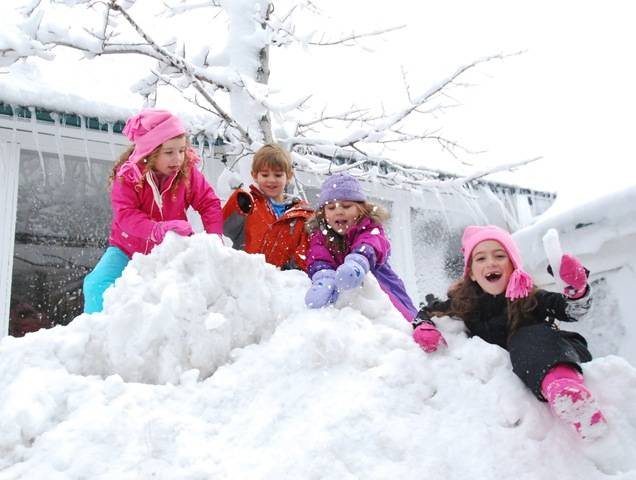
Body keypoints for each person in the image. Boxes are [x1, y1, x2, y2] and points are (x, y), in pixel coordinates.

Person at [413, 224, 607, 439]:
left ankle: (567, 394)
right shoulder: (464, 304)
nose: (491, 263)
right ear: (472, 274)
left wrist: (576, 290)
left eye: (499, 255)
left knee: (526, 336)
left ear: (513, 264)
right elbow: (426, 312)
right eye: (480, 258)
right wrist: (423, 326)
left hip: (552, 353)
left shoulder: (531, 297)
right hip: (510, 376)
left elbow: (572, 311)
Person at [82, 109, 223, 314]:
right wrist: (157, 229)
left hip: (169, 251)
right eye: (169, 152)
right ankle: (98, 337)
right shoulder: (129, 176)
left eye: (182, 150)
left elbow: (209, 203)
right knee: (96, 284)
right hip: (126, 249)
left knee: (175, 297)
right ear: (150, 151)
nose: (178, 159)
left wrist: (215, 238)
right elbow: (126, 215)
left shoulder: (187, 173)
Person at [304, 173, 443, 333]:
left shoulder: (369, 227)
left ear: (361, 209)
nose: (339, 211)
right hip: (347, 297)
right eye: (331, 207)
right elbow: (318, 256)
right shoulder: (320, 235)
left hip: (380, 282)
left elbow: (371, 244)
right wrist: (324, 278)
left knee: (401, 317)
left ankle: (421, 330)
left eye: (346, 206)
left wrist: (357, 263)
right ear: (323, 213)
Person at [222, 144, 313, 271]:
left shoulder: (300, 216)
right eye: (265, 175)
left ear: (289, 176)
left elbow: (303, 255)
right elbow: (225, 227)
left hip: (279, 283)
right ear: (254, 175)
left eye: (278, 175)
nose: (271, 180)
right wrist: (239, 203)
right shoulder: (249, 204)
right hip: (244, 278)